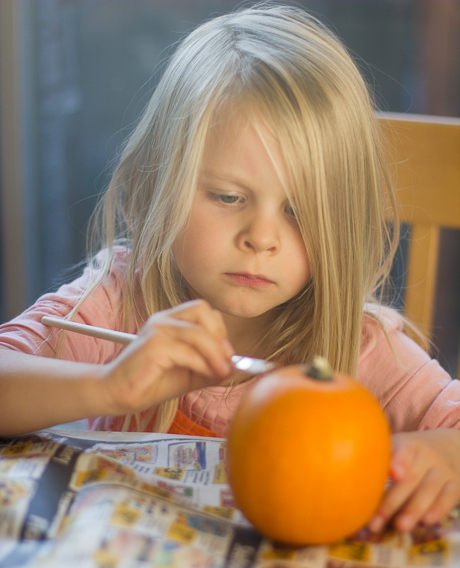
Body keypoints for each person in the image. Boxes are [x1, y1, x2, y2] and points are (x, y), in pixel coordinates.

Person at [0, 4, 459, 535]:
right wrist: (110, 386)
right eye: (227, 196)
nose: (261, 238)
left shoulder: (362, 346)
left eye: (299, 211)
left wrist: (444, 454)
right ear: (153, 188)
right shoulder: (123, 295)